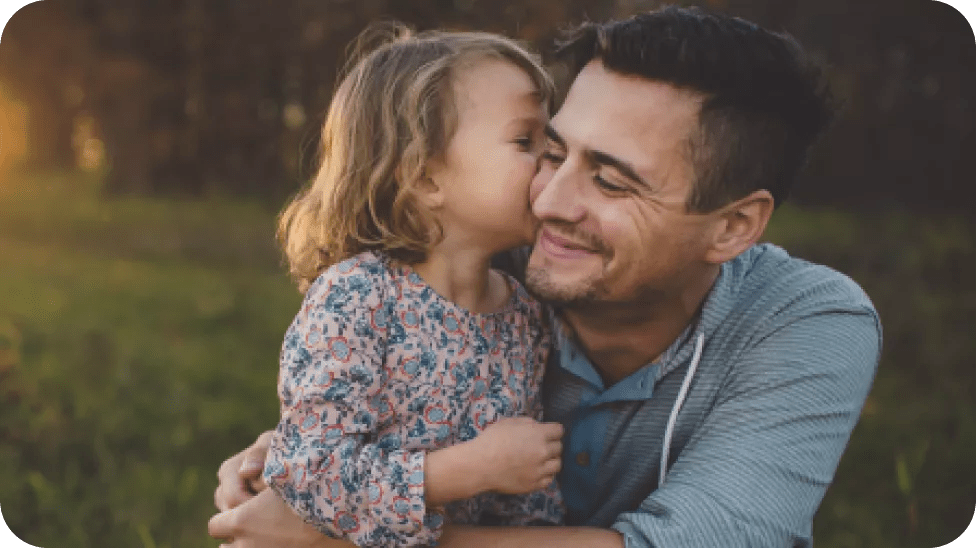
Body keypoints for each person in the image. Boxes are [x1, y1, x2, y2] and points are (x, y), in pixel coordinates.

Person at [209, 6, 881, 547]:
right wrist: (275, 464)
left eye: (612, 182)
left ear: (733, 227)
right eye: (549, 150)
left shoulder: (809, 322)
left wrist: (334, 539)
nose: (551, 201)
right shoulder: (478, 265)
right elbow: (331, 443)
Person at [241, 25, 567, 548]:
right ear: (424, 177)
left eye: (551, 142)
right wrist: (471, 469)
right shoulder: (358, 297)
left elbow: (524, 491)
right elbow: (311, 473)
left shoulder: (524, 314)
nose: (552, 161)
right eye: (525, 140)